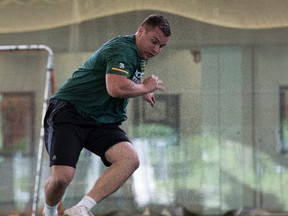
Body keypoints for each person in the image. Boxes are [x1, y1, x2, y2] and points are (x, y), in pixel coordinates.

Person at [42, 14, 171, 216]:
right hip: (70, 112)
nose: (156, 50)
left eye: (161, 46)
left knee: (130, 159)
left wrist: (141, 88)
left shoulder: (140, 55)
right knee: (62, 178)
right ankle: (49, 211)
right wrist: (143, 87)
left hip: (102, 120)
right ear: (141, 31)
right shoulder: (123, 49)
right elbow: (115, 87)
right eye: (154, 42)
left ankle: (81, 208)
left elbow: (124, 83)